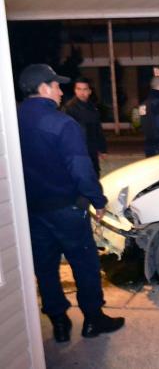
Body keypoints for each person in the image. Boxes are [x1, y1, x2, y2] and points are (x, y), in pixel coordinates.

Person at [17, 64, 124, 343]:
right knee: (84, 263)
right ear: (43, 88)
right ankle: (93, 319)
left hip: (31, 211)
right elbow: (81, 170)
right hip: (66, 209)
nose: (61, 92)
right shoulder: (63, 123)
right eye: (56, 86)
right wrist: (97, 200)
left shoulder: (11, 120)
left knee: (46, 267)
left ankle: (59, 323)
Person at [64, 77, 107, 177]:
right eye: (78, 89)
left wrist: (102, 148)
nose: (81, 92)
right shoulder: (69, 108)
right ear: (75, 90)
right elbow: (66, 132)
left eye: (84, 89)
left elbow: (97, 129)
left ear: (89, 91)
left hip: (92, 149)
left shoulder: (92, 107)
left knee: (95, 175)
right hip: (79, 150)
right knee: (83, 177)